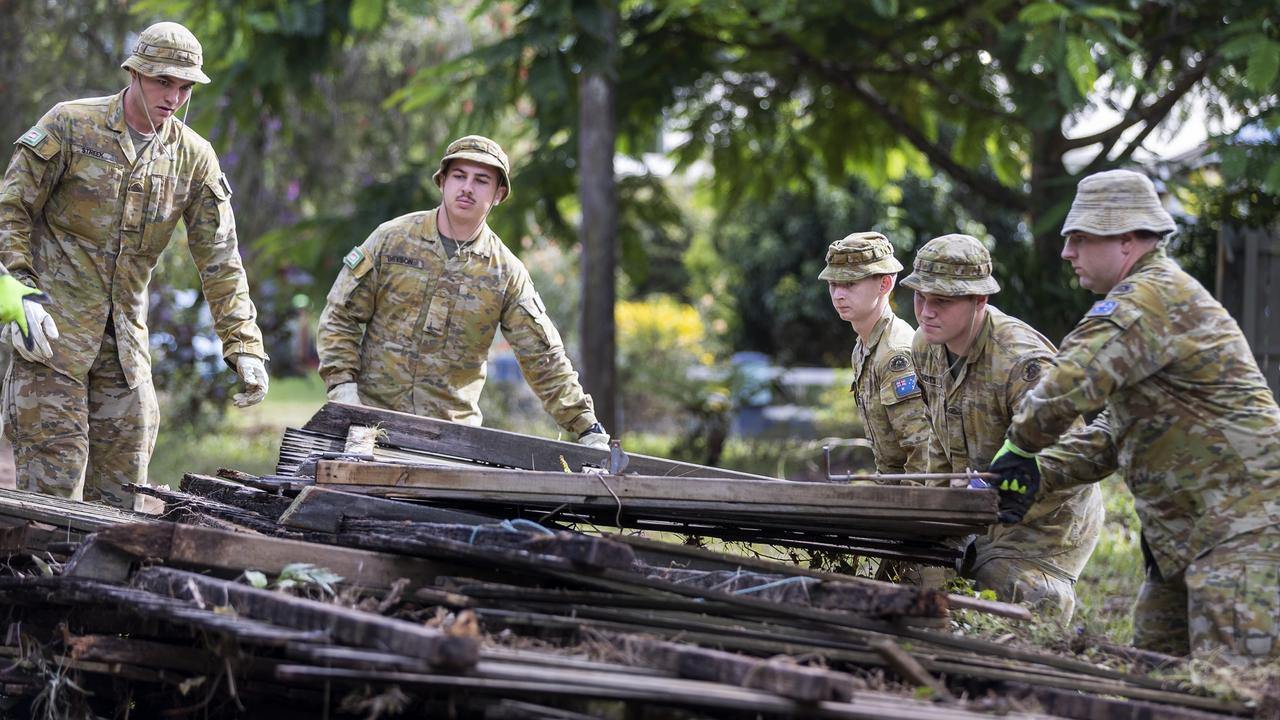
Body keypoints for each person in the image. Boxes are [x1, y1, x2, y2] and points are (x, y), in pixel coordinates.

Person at [991, 170, 1280, 661]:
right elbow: (1112, 435)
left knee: (1234, 690)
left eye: (1080, 239)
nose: (1067, 253)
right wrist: (1035, 473)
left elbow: (1066, 384)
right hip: (1190, 538)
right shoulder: (1153, 301)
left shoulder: (1146, 299)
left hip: (1242, 534)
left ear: (1126, 241)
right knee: (1156, 674)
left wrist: (1019, 448)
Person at [0, 22, 269, 508]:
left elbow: (221, 259)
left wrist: (244, 345)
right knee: (50, 485)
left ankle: (96, 583)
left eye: (185, 86)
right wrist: (16, 291)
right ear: (135, 73)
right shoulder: (71, 125)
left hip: (124, 345)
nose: (174, 97)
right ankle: (30, 578)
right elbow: (11, 209)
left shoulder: (193, 158)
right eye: (163, 81)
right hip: (50, 332)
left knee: (125, 491)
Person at [317, 135, 609, 449]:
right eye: (459, 176)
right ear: (442, 182)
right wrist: (343, 389)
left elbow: (542, 356)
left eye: (481, 180)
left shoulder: (505, 272)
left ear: (499, 194)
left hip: (449, 439)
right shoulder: (391, 241)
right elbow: (340, 315)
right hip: (366, 425)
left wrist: (586, 426)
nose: (467, 187)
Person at [902, 234, 1103, 620]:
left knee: (1002, 587)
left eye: (942, 300)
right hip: (978, 506)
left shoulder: (1021, 362)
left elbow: (1072, 461)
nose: (926, 311)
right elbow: (938, 448)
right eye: (919, 297)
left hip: (1048, 519)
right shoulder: (925, 346)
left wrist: (986, 498)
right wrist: (935, 520)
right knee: (917, 572)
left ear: (980, 300)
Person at [820, 232, 929, 476]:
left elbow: (922, 455)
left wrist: (904, 510)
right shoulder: (864, 347)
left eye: (850, 283)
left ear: (885, 284)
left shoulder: (895, 355)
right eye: (833, 284)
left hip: (915, 498)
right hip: (891, 487)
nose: (838, 294)